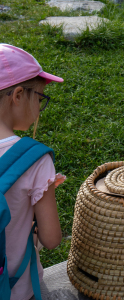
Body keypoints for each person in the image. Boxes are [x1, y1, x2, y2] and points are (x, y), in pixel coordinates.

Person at [0, 44, 65, 300]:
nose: (40, 107)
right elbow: (51, 239)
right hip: (16, 291)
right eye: (40, 97)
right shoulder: (34, 159)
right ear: (17, 95)